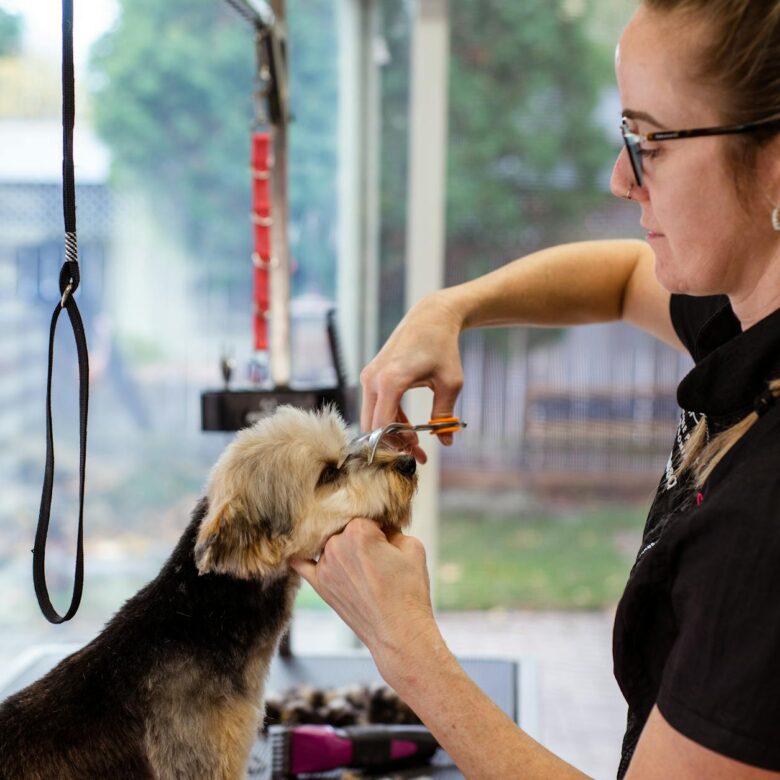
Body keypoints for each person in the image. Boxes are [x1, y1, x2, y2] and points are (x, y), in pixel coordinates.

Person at [292, 0, 780, 776]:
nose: (621, 179)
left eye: (648, 141)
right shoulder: (747, 319)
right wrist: (450, 307)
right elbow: (622, 279)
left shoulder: (762, 528)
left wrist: (406, 649)